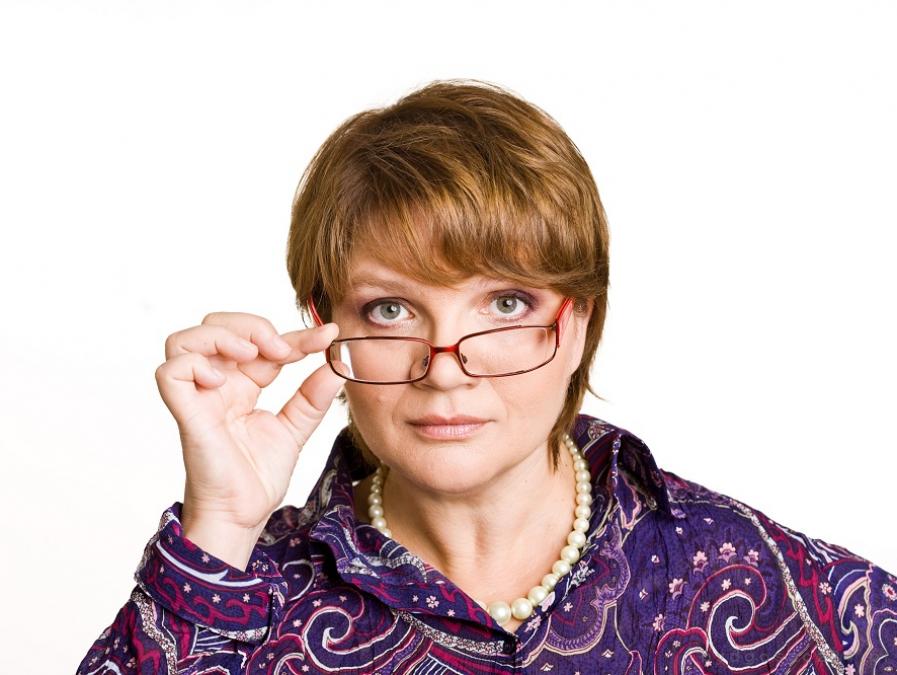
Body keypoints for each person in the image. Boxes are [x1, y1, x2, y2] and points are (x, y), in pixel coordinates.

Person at [78, 79, 895, 675]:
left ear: (577, 322)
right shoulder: (241, 599)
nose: (445, 367)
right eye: (390, 309)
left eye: (504, 303)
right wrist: (219, 525)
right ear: (325, 323)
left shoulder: (752, 580)